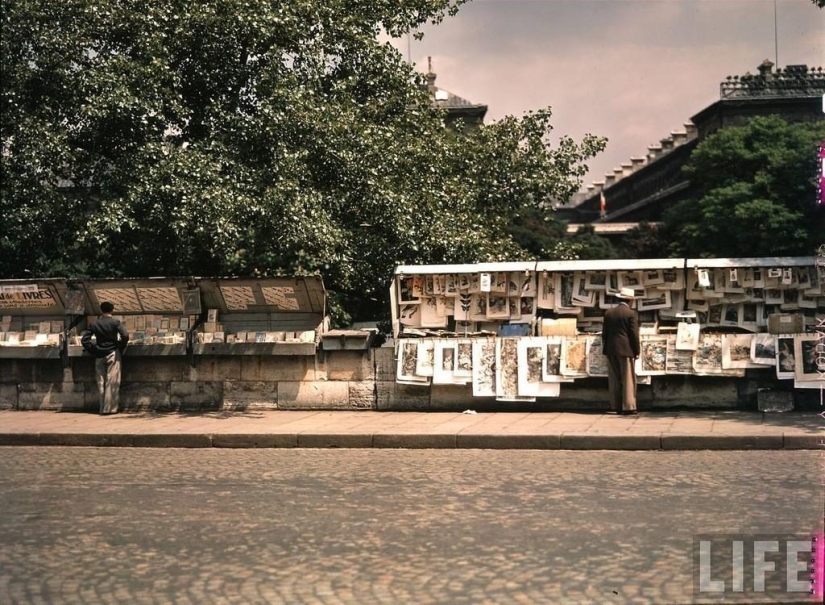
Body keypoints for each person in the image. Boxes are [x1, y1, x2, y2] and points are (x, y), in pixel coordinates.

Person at [81, 301, 129, 415]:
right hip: (112, 352)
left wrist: (93, 349)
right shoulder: (115, 322)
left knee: (100, 382)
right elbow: (125, 335)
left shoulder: (95, 324)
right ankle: (110, 408)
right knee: (112, 381)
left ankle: (102, 408)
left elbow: (84, 340)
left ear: (101, 310)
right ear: (112, 310)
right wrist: (119, 346)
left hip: (99, 354)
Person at [602, 287, 640, 415]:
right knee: (628, 378)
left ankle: (614, 406)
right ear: (630, 301)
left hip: (611, 349)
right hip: (626, 349)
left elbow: (604, 334)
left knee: (614, 379)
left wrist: (606, 348)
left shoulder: (609, 313)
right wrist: (637, 350)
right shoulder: (631, 314)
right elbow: (634, 334)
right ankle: (629, 406)